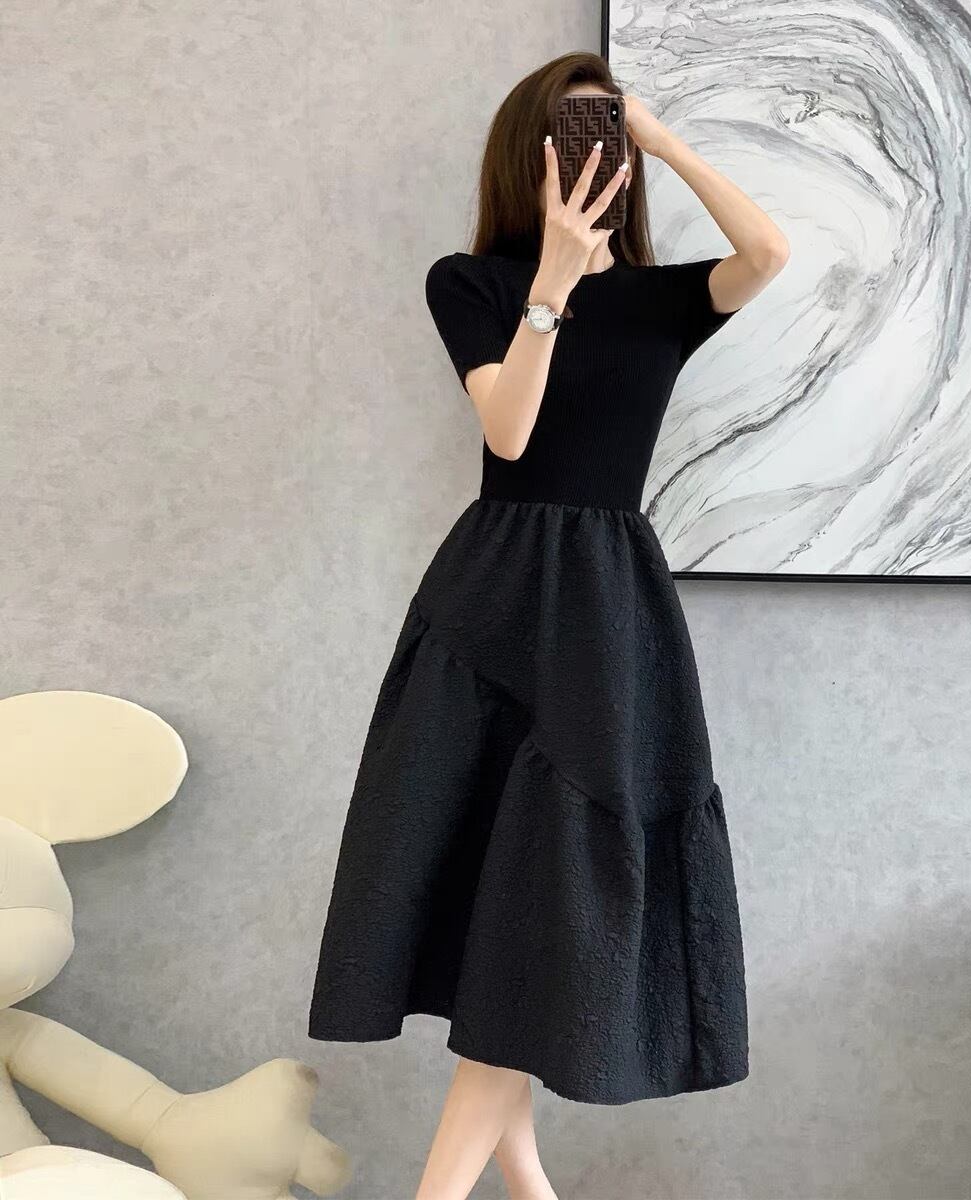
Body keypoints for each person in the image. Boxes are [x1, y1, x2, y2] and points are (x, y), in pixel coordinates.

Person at [307, 50, 788, 1200]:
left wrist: (663, 141)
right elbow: (511, 436)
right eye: (569, 140)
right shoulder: (469, 283)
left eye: (604, 140)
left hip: (609, 613)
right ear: (525, 159)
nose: (588, 161)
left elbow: (769, 253)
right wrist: (553, 284)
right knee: (503, 888)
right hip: (492, 606)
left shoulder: (663, 300)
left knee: (550, 891)